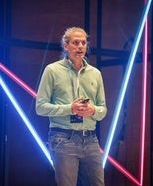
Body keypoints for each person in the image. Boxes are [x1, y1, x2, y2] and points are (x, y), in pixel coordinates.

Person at [36, 27, 107, 186]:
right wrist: (70, 108)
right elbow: (40, 107)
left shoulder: (95, 73)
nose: (81, 46)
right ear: (65, 45)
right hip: (63, 138)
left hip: (90, 139)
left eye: (83, 43)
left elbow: (103, 109)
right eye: (76, 43)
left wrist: (93, 110)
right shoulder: (52, 70)